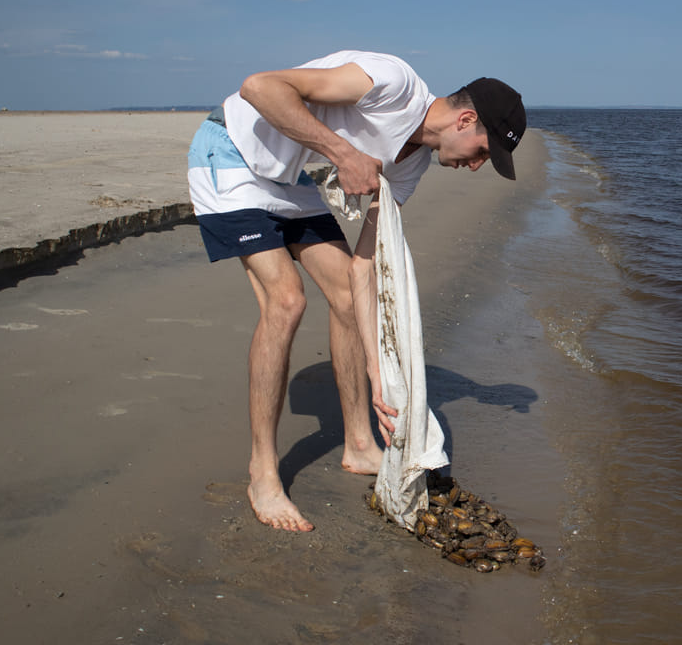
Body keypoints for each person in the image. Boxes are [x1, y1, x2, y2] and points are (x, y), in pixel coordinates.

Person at [187, 50, 525, 532]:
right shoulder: (393, 83)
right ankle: (262, 472)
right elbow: (259, 88)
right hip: (231, 153)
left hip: (288, 179)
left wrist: (375, 363)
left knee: (345, 290)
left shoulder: (411, 167)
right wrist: (343, 154)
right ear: (466, 120)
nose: (475, 167)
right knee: (286, 299)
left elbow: (365, 267)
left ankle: (359, 443)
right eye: (482, 153)